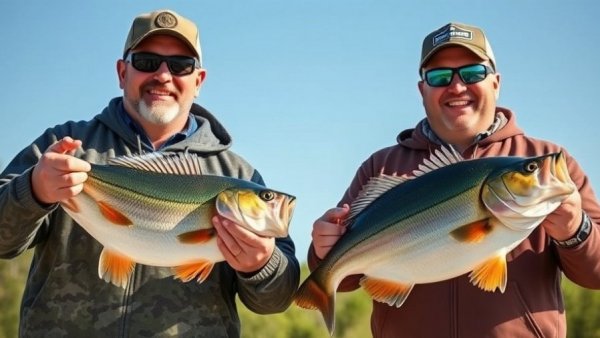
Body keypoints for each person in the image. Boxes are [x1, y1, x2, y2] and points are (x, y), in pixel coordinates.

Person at [0, 9, 299, 337]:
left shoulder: (237, 173)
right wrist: (33, 189)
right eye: (146, 62)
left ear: (198, 81)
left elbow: (277, 298)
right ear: (121, 72)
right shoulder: (63, 148)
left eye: (180, 66)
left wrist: (262, 264)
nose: (163, 76)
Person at [308, 22, 600, 337]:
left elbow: (595, 275)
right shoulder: (381, 167)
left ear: (496, 83)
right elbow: (348, 276)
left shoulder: (550, 160)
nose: (457, 87)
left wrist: (575, 230)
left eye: (473, 73)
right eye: (439, 77)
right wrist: (323, 249)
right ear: (422, 90)